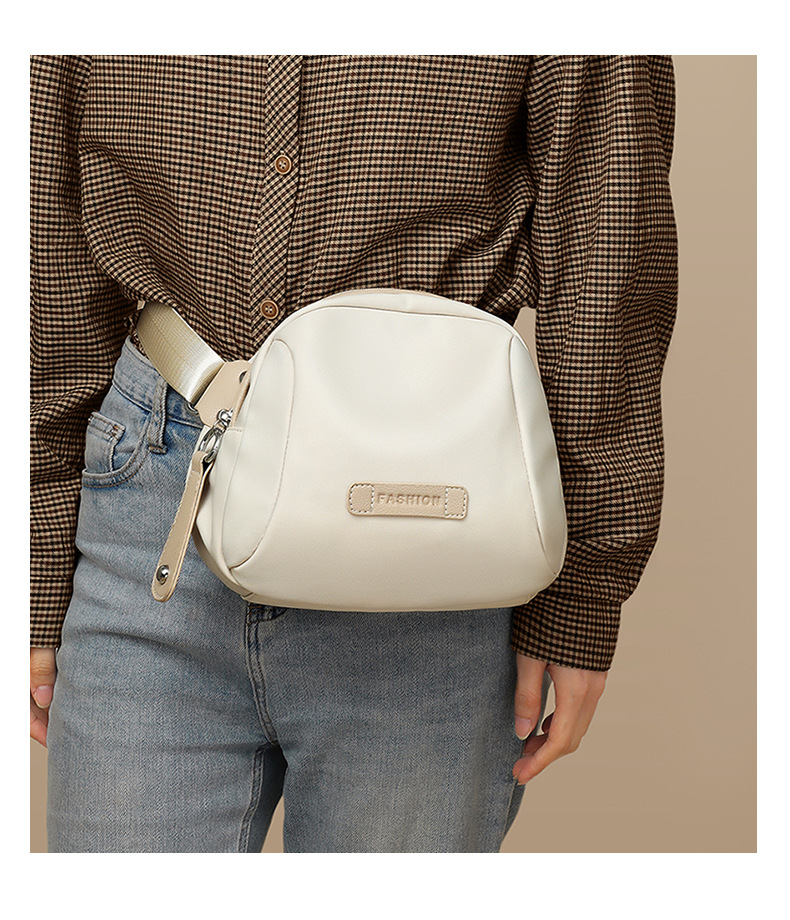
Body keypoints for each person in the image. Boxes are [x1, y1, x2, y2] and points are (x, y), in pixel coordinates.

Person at [30, 54, 678, 853]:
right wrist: (33, 559)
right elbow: (40, 216)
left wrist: (582, 597)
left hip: (433, 545)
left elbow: (608, 247)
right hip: (158, 503)